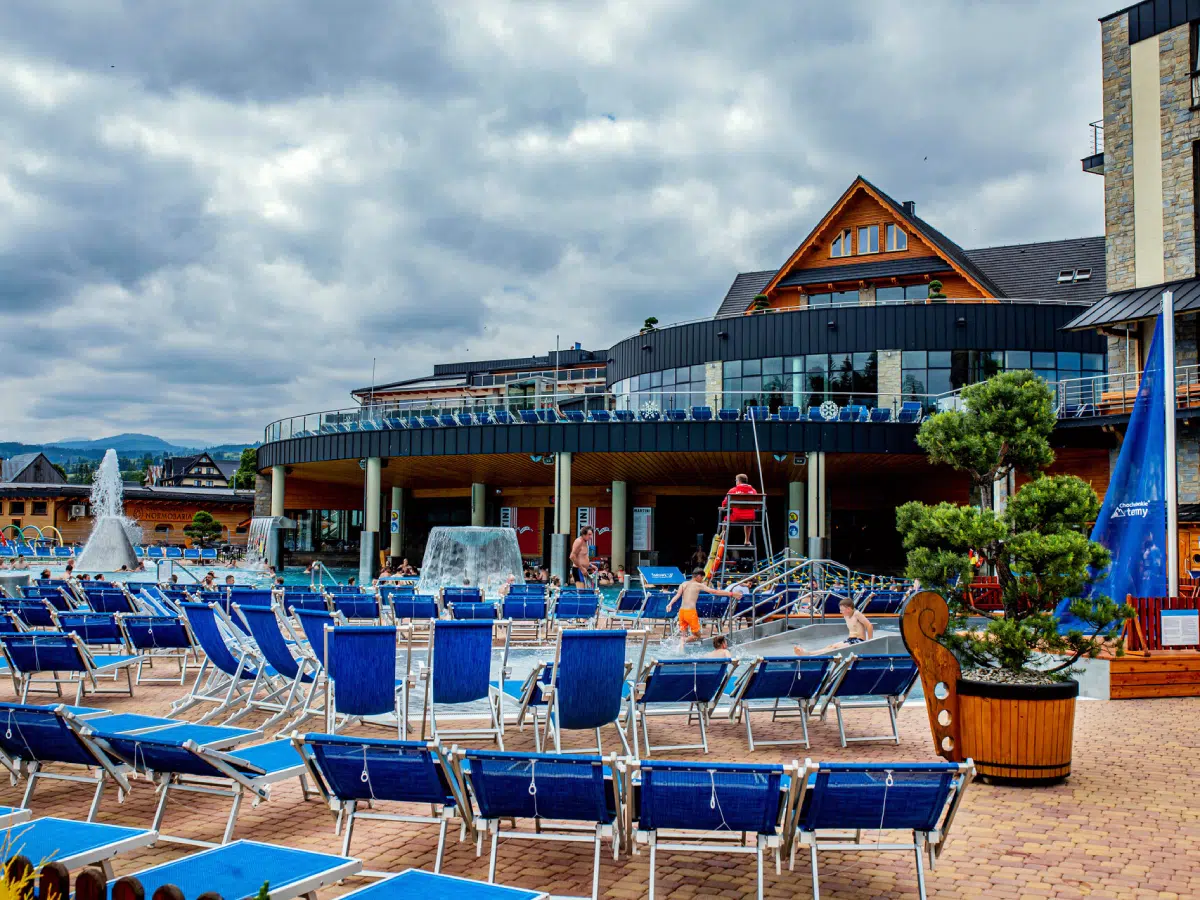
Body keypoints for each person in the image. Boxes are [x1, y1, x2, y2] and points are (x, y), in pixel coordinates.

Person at [666, 569, 735, 643]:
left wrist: (670, 604)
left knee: (683, 635)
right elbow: (714, 591)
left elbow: (678, 595)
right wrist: (732, 594)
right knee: (697, 636)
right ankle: (682, 641)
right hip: (690, 612)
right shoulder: (698, 585)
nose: (702, 580)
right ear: (698, 576)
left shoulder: (683, 584)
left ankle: (681, 647)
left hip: (681, 612)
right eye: (702, 578)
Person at [795, 597, 874, 655]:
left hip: (859, 641)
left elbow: (869, 625)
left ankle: (808, 653)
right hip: (850, 640)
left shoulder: (857, 614)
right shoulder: (846, 616)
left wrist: (870, 642)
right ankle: (809, 653)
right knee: (831, 646)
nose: (840, 612)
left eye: (842, 610)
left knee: (835, 648)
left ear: (848, 609)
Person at [721, 474, 759, 548]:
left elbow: (724, 504)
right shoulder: (753, 491)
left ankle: (723, 539)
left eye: (736, 480)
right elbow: (757, 505)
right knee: (748, 519)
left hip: (737, 517)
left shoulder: (733, 490)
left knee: (725, 520)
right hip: (750, 518)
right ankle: (747, 540)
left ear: (738, 481)